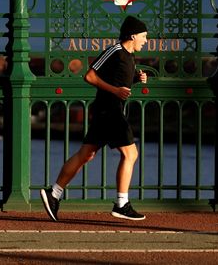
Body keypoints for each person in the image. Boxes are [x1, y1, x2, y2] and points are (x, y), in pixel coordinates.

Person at [40, 15, 149, 221]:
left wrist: (136, 78)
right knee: (131, 154)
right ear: (132, 35)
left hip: (108, 110)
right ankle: (122, 204)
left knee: (86, 154)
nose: (145, 40)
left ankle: (53, 194)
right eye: (143, 36)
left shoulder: (130, 56)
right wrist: (115, 91)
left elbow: (118, 79)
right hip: (110, 111)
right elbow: (89, 76)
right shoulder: (114, 51)